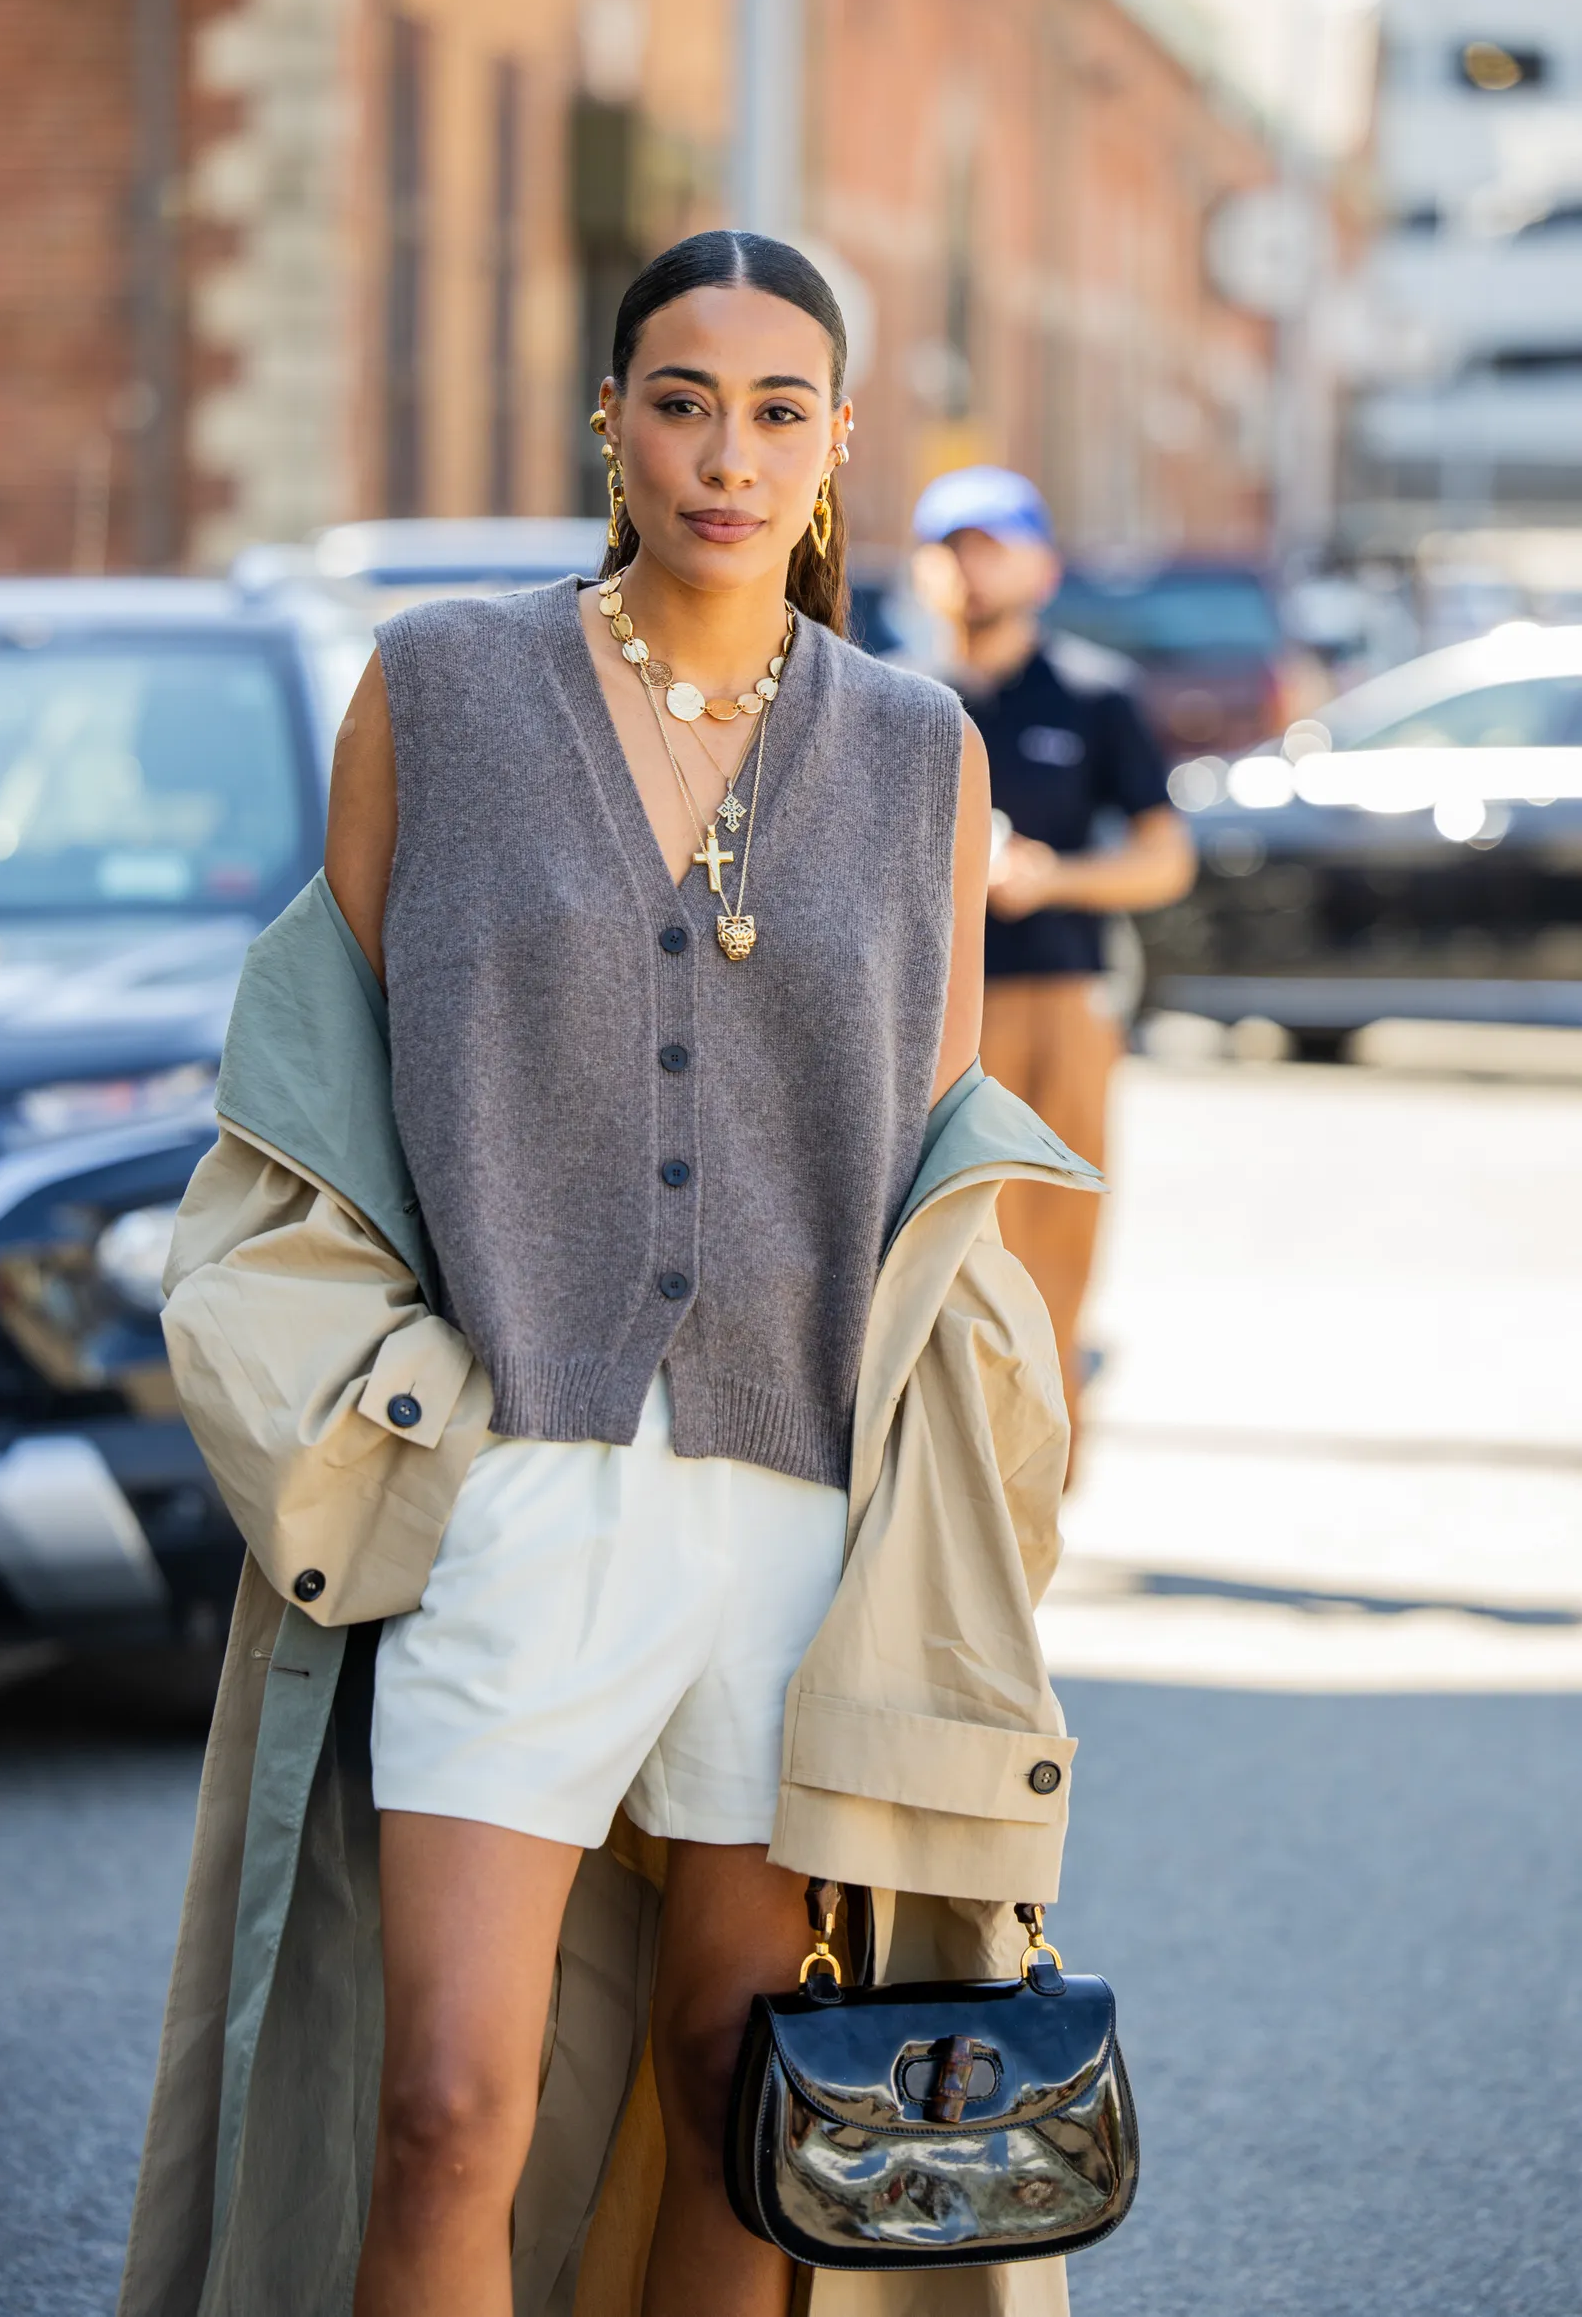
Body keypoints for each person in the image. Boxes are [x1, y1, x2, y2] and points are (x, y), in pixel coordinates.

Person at [326, 233, 992, 2317]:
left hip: (792, 1503)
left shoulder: (915, 753)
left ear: (836, 445)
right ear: (608, 420)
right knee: (445, 2096)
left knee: (740, 2079)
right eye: (682, 399)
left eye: (777, 409)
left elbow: (944, 1167)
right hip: (510, 1479)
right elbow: (318, 1098)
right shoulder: (439, 683)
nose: (726, 451)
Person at [912, 466, 1196, 1445]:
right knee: (924, 1253)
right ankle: (935, 1465)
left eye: (992, 548)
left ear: (1042, 564)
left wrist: (1052, 877)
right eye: (952, 550)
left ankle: (1043, 1462)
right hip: (921, 1012)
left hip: (1057, 998)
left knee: (1052, 1246)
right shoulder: (894, 700)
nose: (971, 572)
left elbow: (1164, 862)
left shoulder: (1093, 696)